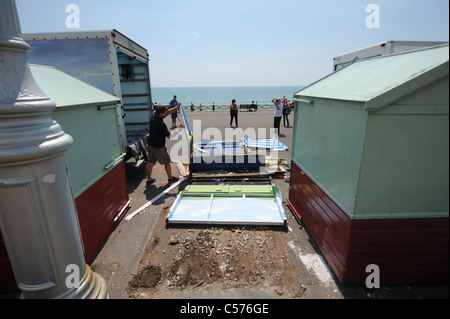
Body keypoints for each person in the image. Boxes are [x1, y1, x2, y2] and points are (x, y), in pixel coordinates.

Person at [146, 105, 181, 185]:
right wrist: (179, 130)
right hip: (158, 148)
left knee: (150, 163)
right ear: (161, 114)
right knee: (167, 162)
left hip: (150, 145)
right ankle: (170, 178)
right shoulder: (161, 124)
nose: (166, 114)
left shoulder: (153, 118)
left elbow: (168, 112)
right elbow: (169, 136)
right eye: (165, 113)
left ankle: (149, 179)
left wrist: (176, 107)